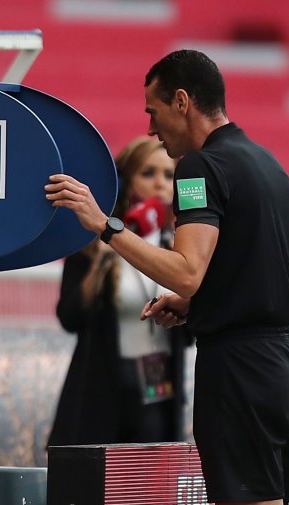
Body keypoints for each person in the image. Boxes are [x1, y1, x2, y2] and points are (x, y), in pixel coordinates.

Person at [46, 49, 289, 505]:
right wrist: (197, 311)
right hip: (282, 365)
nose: (149, 129)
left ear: (183, 102)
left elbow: (189, 270)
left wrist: (105, 224)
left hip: (239, 374)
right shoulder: (275, 170)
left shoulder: (197, 168)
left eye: (153, 111)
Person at [47, 136, 188, 449]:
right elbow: (70, 317)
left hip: (158, 394)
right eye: (148, 173)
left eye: (168, 175)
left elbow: (191, 333)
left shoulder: (181, 245)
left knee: (146, 492)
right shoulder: (96, 240)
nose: (160, 184)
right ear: (126, 182)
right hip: (100, 393)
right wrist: (104, 257)